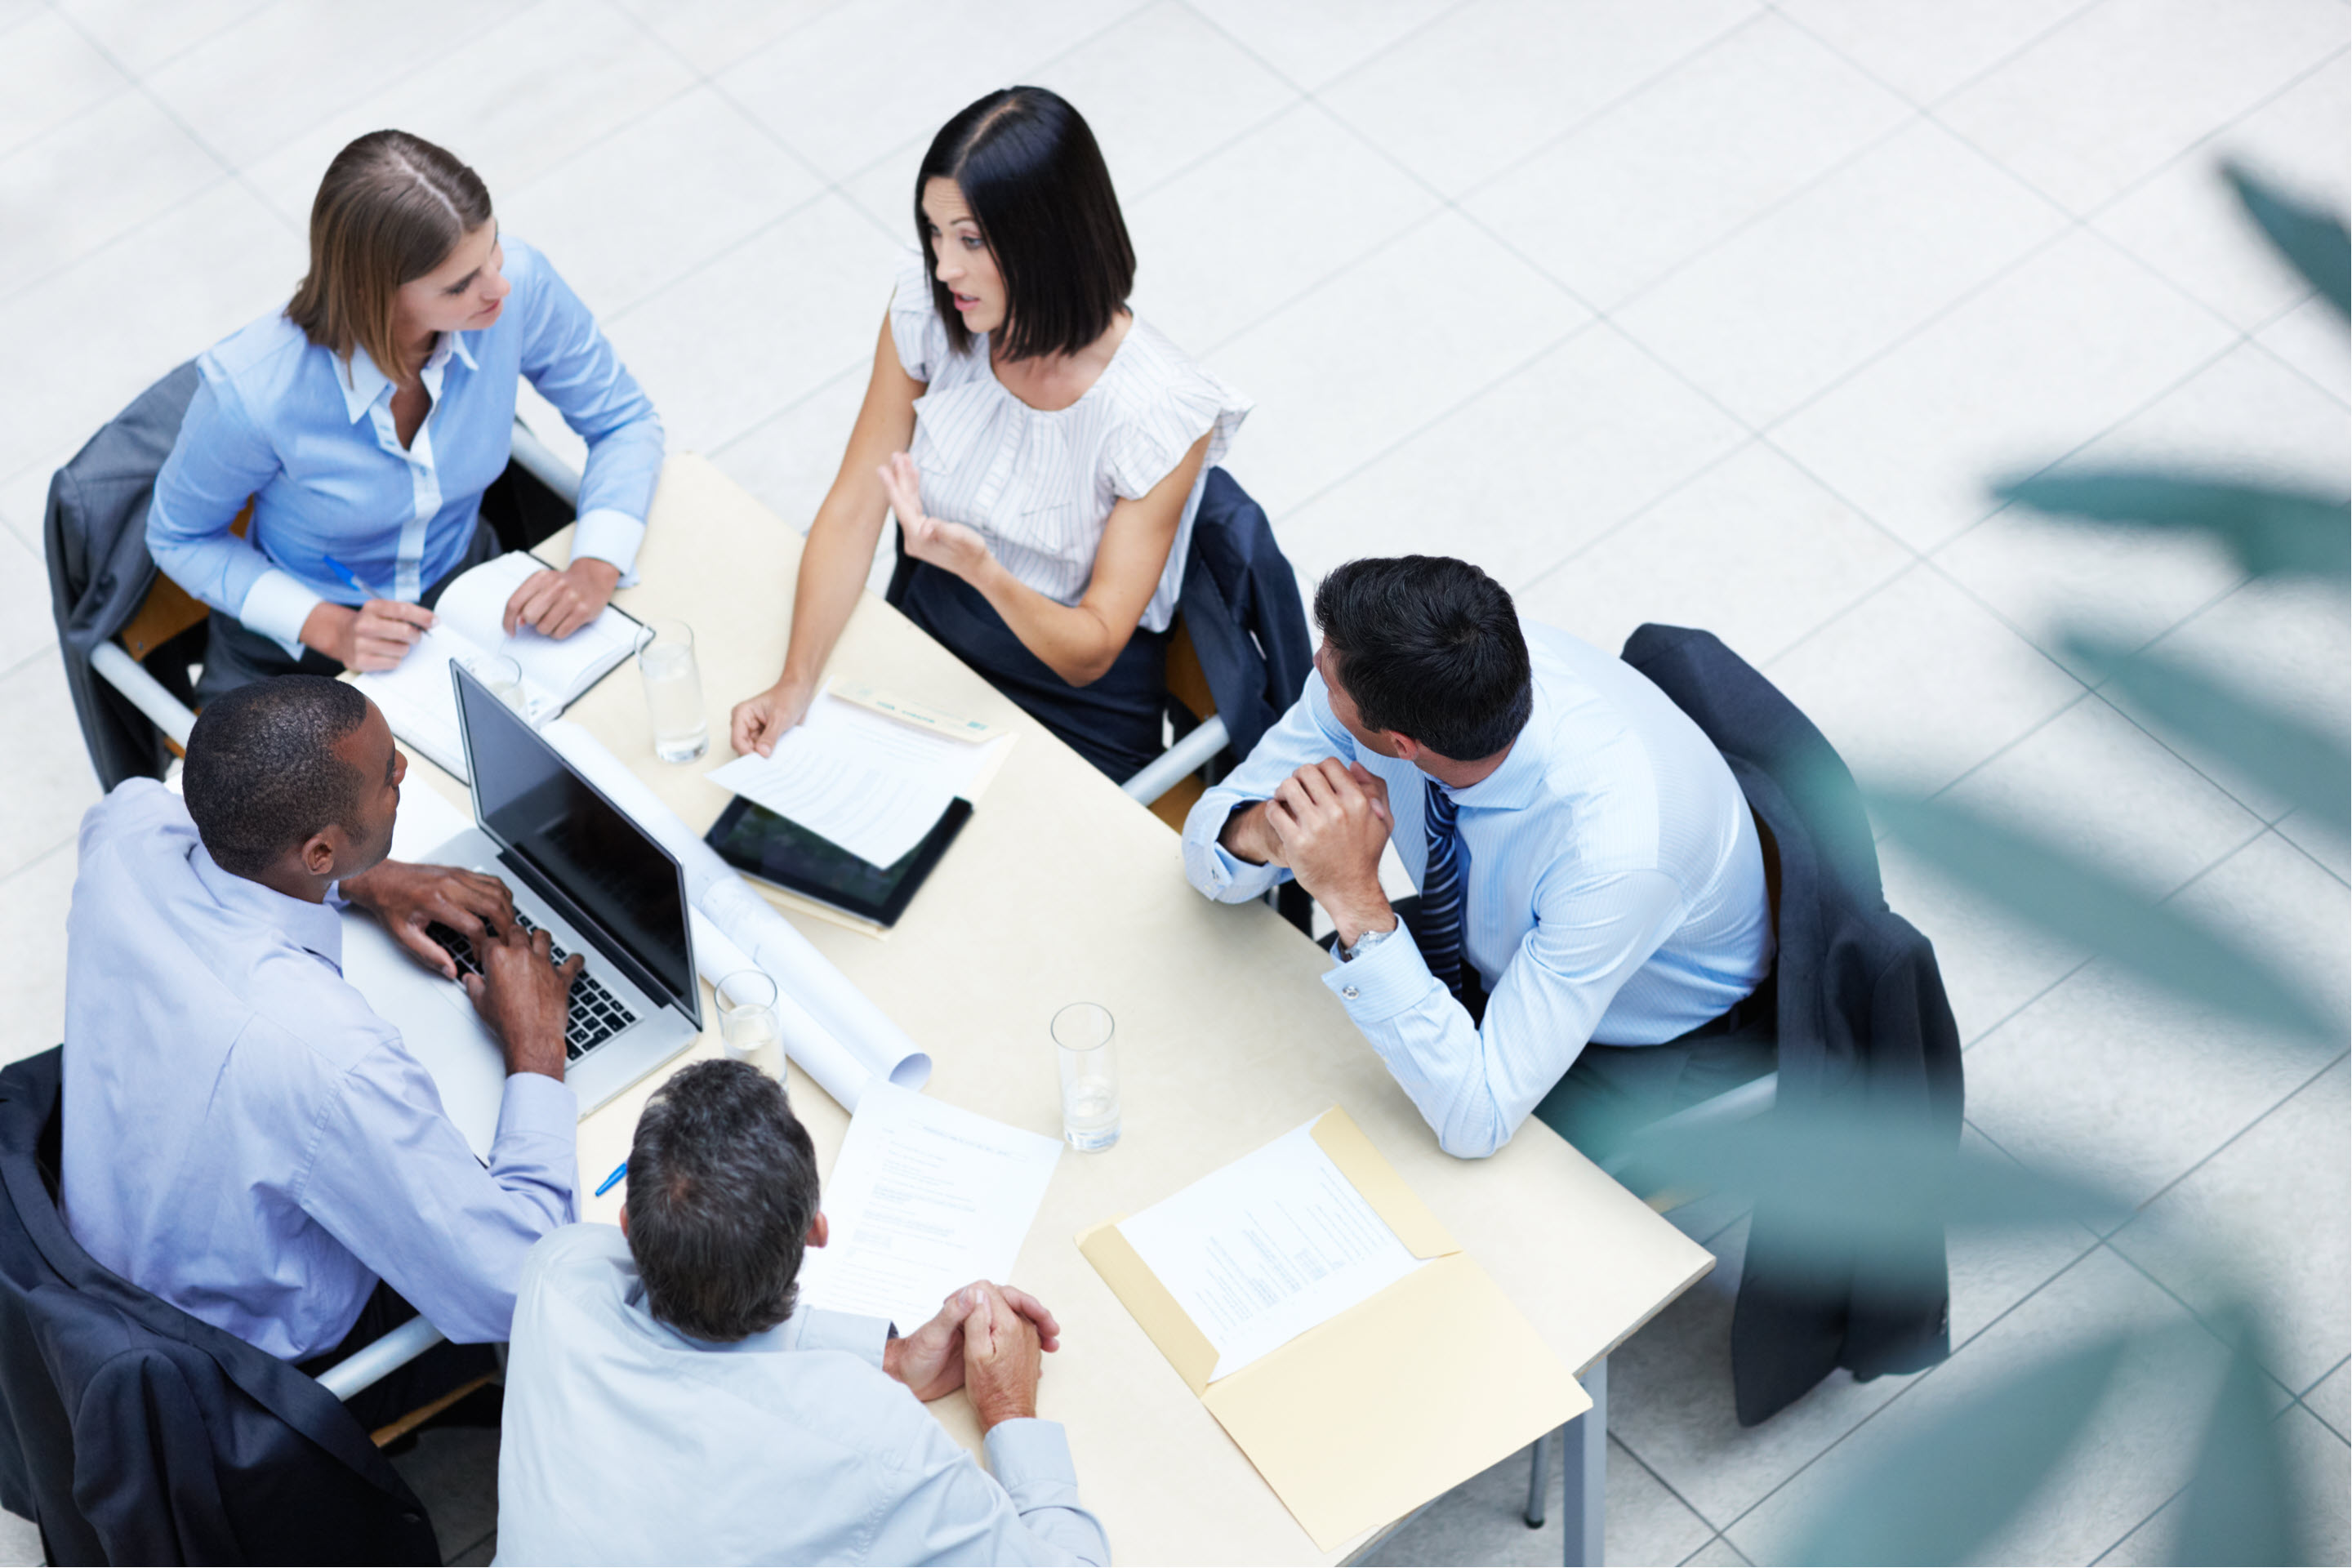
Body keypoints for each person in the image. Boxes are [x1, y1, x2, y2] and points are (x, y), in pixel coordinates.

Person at [61, 675, 585, 1425]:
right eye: (387, 774)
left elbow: (130, 802)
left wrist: (362, 881)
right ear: (316, 849)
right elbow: (516, 1285)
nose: (401, 771)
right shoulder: (326, 1056)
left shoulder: (127, 843)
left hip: (114, 1252)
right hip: (248, 1358)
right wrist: (537, 1050)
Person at [729, 86, 1250, 782]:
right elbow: (856, 506)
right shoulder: (930, 310)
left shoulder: (1161, 408)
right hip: (933, 632)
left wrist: (984, 571)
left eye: (971, 240)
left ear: (1048, 240)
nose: (945, 268)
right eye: (935, 234)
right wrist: (794, 682)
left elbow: (1092, 648)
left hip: (1073, 702)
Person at [1181, 556, 1776, 1160]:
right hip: (1481, 952)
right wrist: (1277, 835)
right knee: (1252, 1060)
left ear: (1401, 746)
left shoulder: (1613, 853)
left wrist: (1352, 898)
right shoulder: (1391, 678)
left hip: (1635, 1033)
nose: (1316, 673)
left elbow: (1477, 1123)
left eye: (1329, 683)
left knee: (1445, 1193)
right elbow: (1206, 855)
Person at [496, 1059, 1108, 1566]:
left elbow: (705, 1349)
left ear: (628, 1229)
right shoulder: (879, 1447)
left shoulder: (560, 1275)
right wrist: (1010, 1411)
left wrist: (889, 1359)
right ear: (817, 1233)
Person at [147, 129, 664, 703]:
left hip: (467, 598)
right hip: (298, 650)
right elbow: (178, 536)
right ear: (376, 295)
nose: (500, 285)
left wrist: (595, 568)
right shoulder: (252, 394)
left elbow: (623, 420)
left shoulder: (517, 288)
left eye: (492, 248)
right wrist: (331, 627)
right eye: (461, 284)